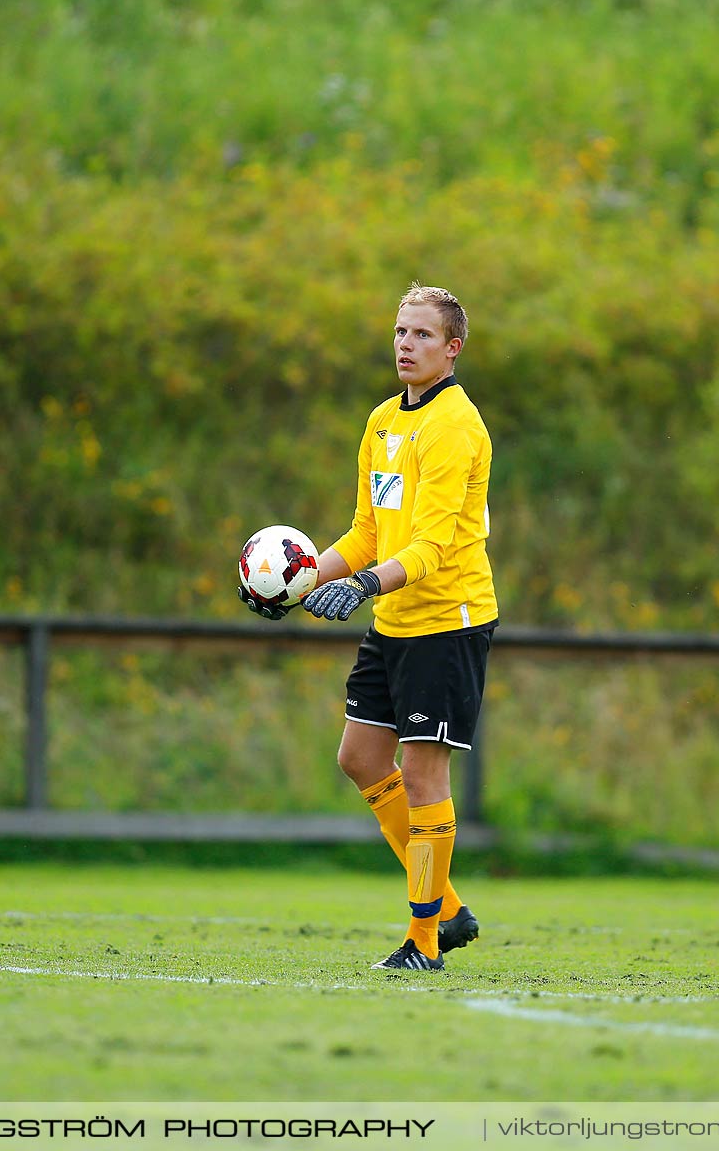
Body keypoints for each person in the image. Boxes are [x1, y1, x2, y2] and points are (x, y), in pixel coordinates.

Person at [240, 283, 497, 971]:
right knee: (358, 758)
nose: (406, 345)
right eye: (399, 332)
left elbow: (432, 548)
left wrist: (362, 585)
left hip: (447, 622)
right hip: (395, 618)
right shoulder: (384, 420)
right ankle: (444, 905)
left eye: (421, 335)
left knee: (420, 777)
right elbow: (365, 533)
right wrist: (300, 582)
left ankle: (425, 942)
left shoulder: (455, 427)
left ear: (453, 349)